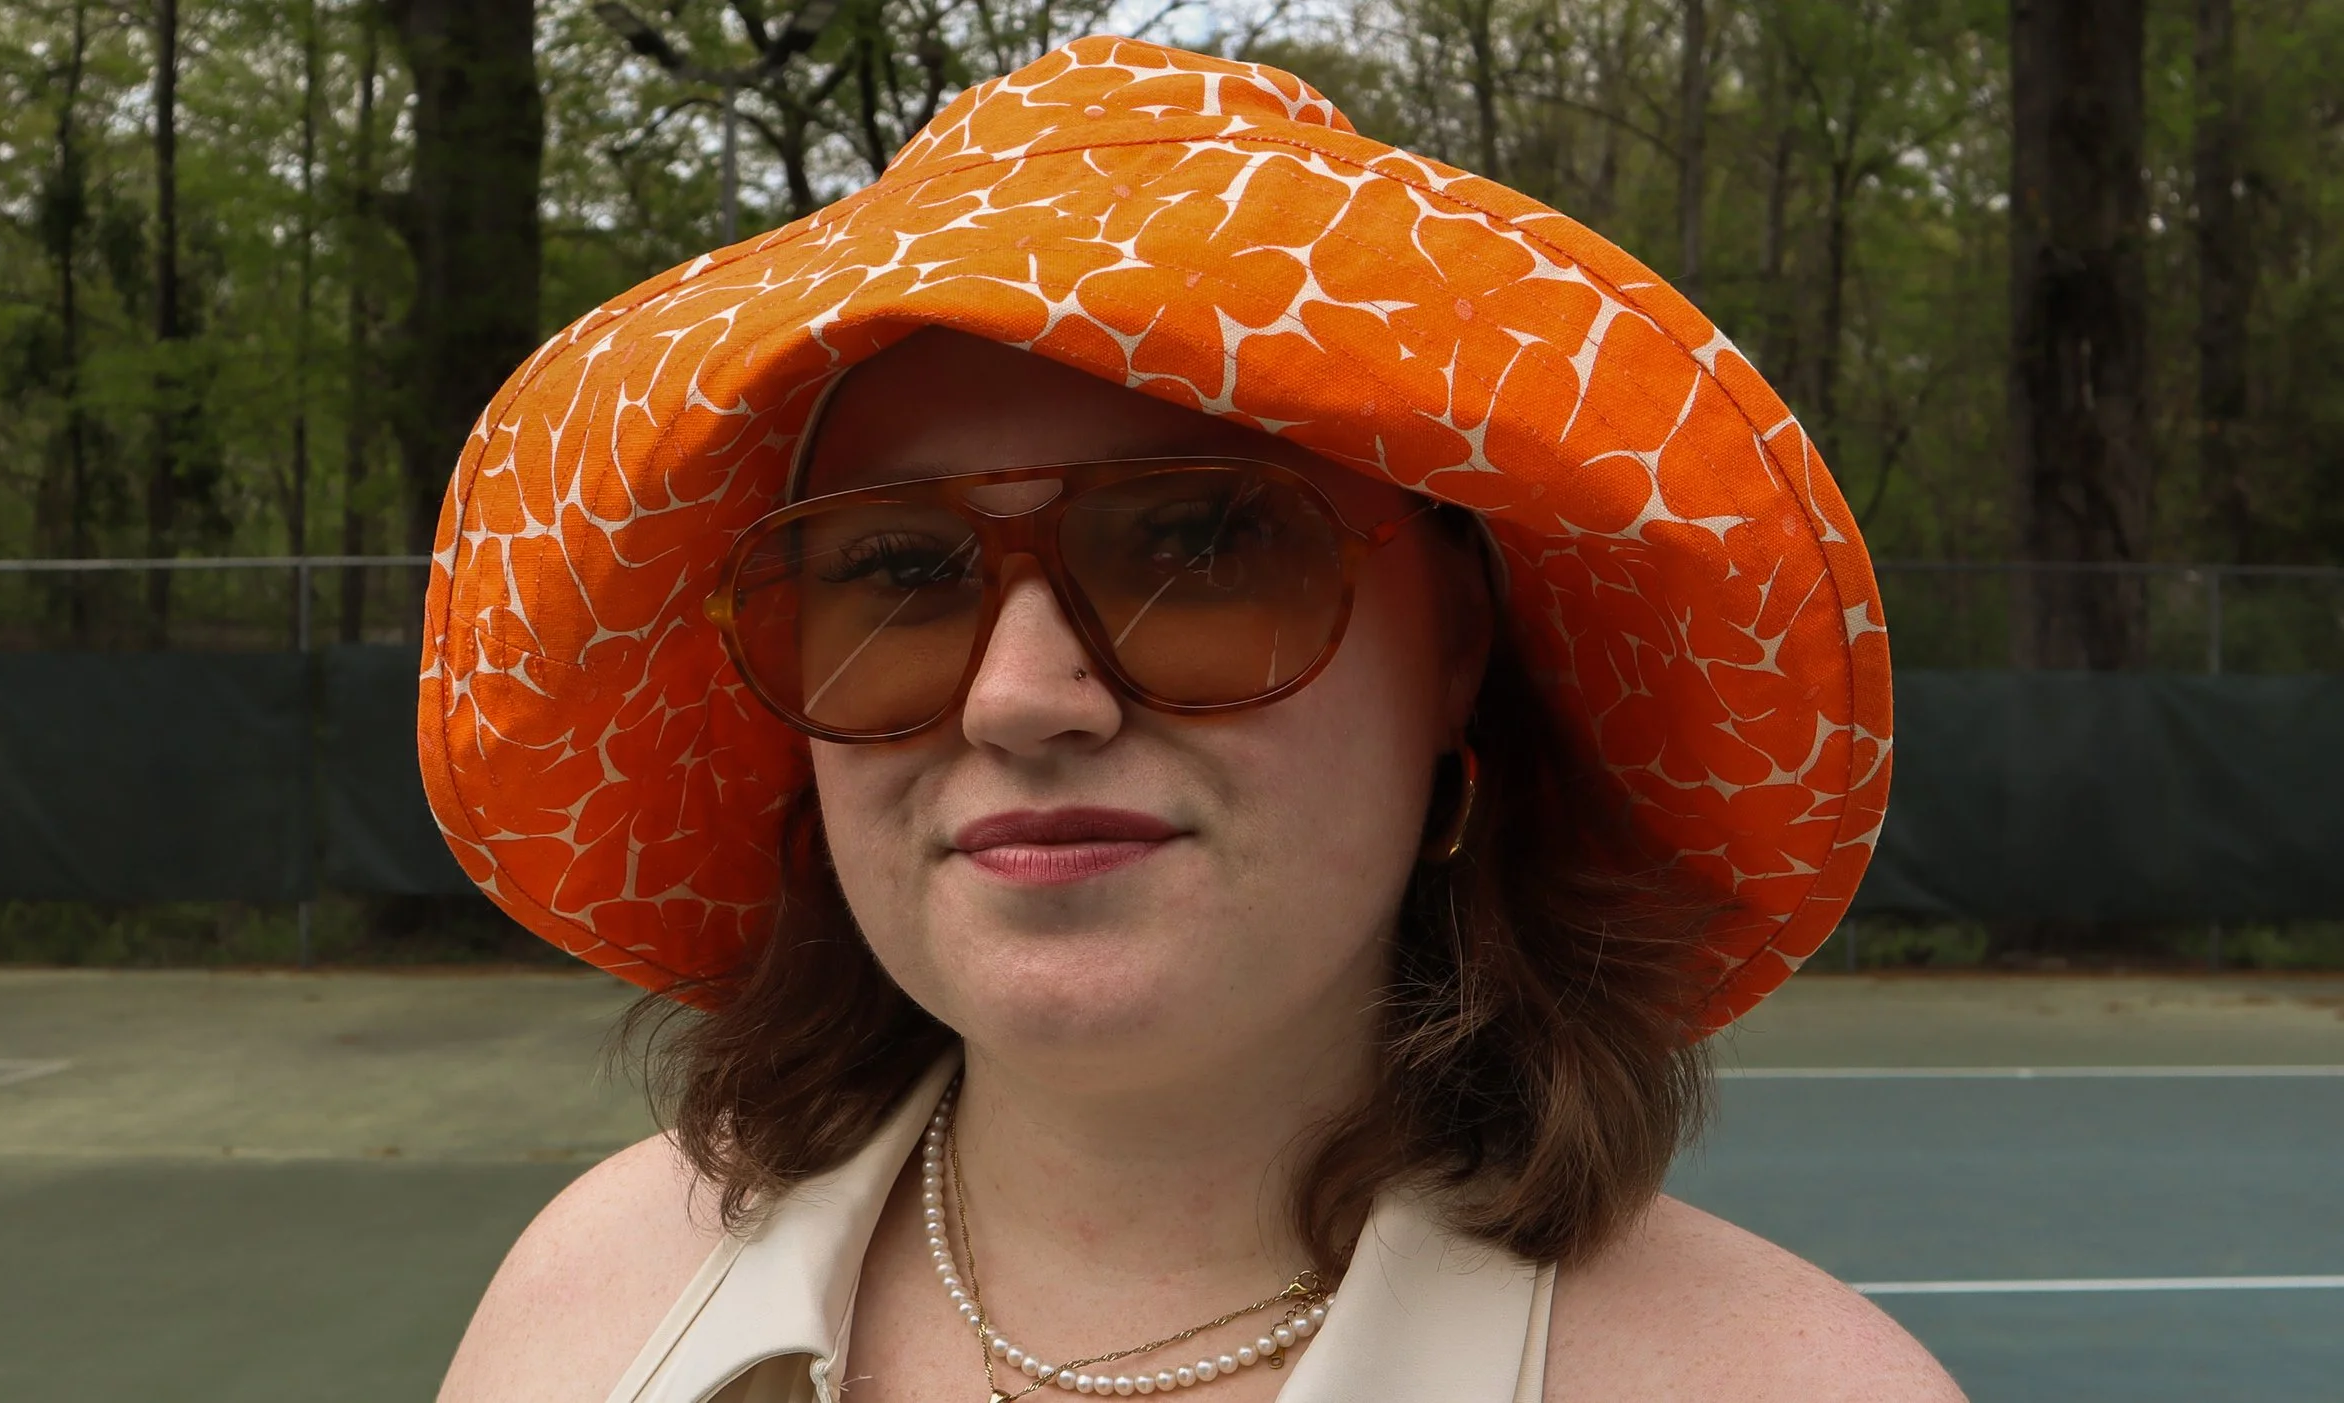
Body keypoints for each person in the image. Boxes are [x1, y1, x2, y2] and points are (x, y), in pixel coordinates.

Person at [420, 37, 1957, 1403]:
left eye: (1204, 546)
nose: (1021, 696)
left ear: (1457, 650)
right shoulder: (594, 1308)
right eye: (897, 569)